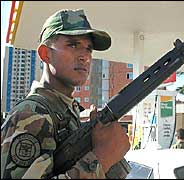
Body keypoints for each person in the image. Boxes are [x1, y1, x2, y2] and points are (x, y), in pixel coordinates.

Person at [1, 9, 130, 179]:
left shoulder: (65, 112)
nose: (85, 56)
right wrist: (101, 158)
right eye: (73, 45)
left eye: (89, 49)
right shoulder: (30, 115)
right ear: (45, 54)